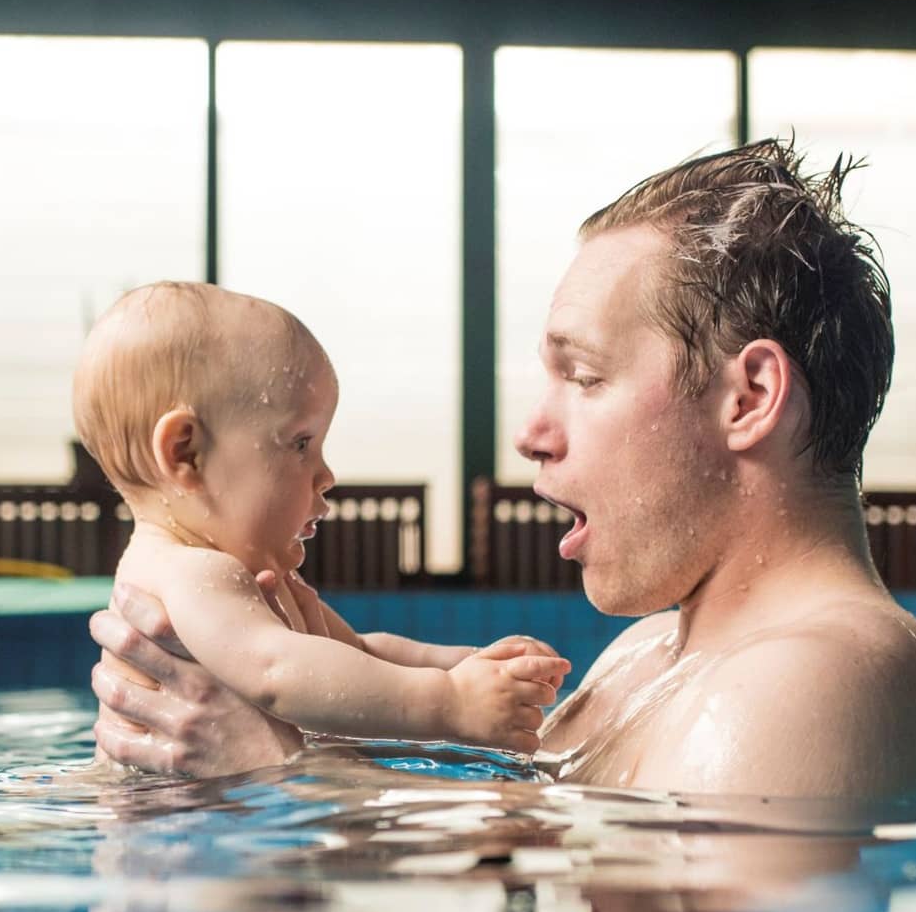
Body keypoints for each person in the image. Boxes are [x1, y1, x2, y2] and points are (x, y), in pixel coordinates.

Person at [90, 140, 916, 799]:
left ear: (747, 398)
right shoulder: (652, 655)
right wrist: (229, 735)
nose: (530, 433)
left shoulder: (817, 683)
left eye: (584, 377)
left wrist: (268, 770)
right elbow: (513, 822)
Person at [71, 281, 569, 757]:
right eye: (301, 444)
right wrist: (451, 702)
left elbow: (356, 654)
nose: (326, 475)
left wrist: (465, 665)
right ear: (187, 453)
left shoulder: (222, 571)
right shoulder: (190, 572)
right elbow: (278, 672)